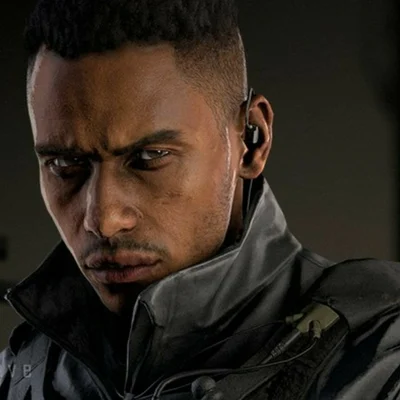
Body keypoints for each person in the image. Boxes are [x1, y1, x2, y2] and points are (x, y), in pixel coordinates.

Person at [1, 0, 400, 399]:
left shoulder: (380, 361)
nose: (104, 219)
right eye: (65, 164)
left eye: (150, 157)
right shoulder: (22, 374)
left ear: (251, 142)